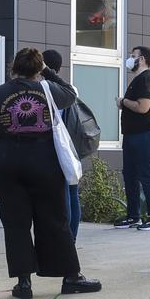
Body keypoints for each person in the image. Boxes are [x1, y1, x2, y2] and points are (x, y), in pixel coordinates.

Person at [0, 47, 101, 298]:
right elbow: (71, 94)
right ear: (38, 69)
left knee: (15, 223)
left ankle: (23, 283)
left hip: (6, 162)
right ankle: (70, 277)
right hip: (44, 160)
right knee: (54, 219)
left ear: (13, 68)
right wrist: (48, 72)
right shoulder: (49, 90)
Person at [40, 49, 87, 240]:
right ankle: (71, 238)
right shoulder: (68, 89)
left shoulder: (45, 88)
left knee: (64, 194)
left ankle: (64, 238)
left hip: (55, 148)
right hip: (70, 149)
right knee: (72, 191)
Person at [114, 46, 150, 231]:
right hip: (132, 135)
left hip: (144, 135)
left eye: (132, 56)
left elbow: (143, 107)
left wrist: (123, 102)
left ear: (141, 59)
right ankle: (133, 216)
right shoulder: (138, 80)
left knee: (147, 175)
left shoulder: (146, 78)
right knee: (130, 176)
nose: (129, 59)